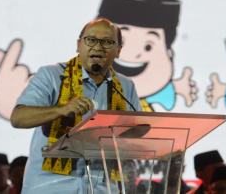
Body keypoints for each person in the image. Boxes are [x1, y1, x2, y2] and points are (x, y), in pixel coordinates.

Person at [10, 18, 141, 193]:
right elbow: (18, 118)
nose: (98, 47)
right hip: (51, 187)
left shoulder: (125, 86)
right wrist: (61, 109)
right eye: (91, 40)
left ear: (118, 50)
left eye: (108, 42)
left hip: (101, 187)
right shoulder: (51, 76)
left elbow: (137, 136)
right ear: (78, 45)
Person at [98, 0, 197, 111]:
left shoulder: (142, 103)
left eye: (148, 46)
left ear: (169, 54)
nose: (134, 55)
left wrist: (176, 86)